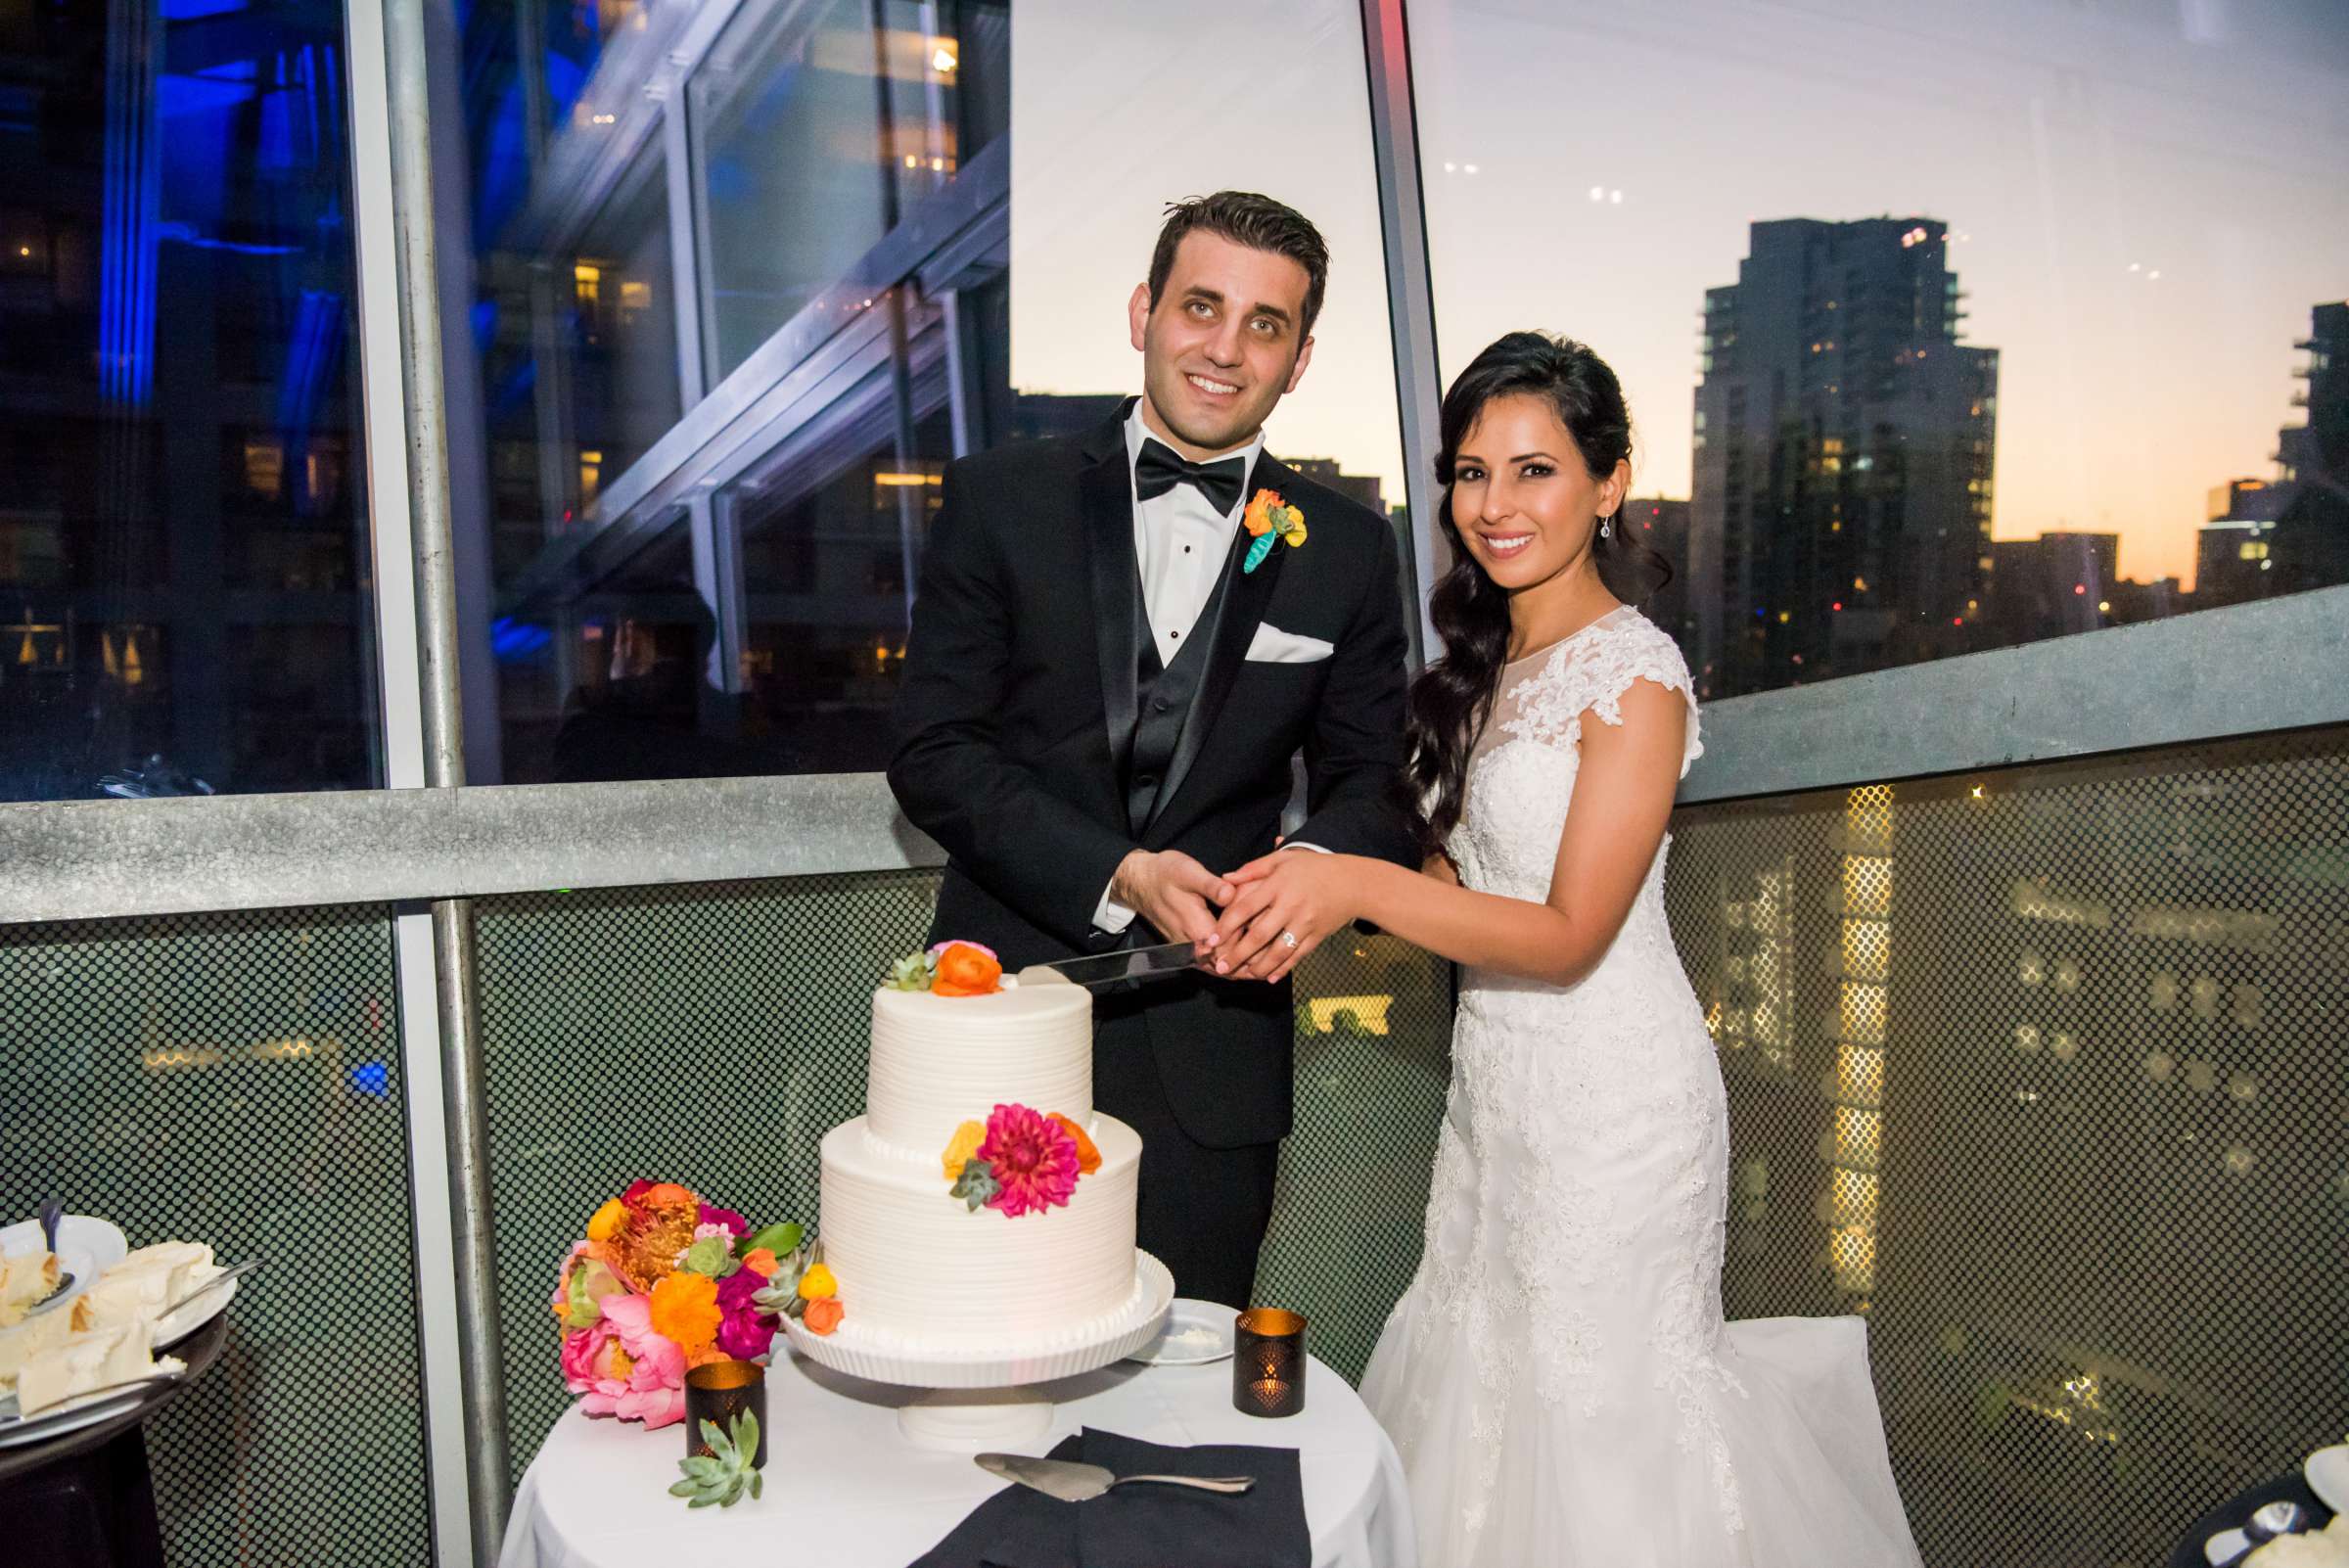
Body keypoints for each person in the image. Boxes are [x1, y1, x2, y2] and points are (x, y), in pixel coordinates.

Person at [1211, 332, 1925, 1565]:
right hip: (1499, 1104)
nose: (1494, 505)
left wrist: (1362, 879)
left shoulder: (1636, 677)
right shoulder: (1483, 670)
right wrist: (1297, 891)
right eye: (1471, 471)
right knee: (1483, 1392)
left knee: (1603, 1426)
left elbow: (1566, 933)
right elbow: (1458, 887)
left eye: (1534, 470)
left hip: (1618, 1113)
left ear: (1609, 483)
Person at [887, 192, 1420, 1311]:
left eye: (1265, 325)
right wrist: (1117, 873)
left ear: (1301, 358)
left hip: (1212, 1049)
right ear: (1144, 312)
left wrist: (1313, 872)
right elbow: (932, 750)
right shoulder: (1000, 499)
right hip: (1004, 1005)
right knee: (981, 1340)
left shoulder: (1352, 551)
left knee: (1188, 1372)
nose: (1226, 350)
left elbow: (1374, 782)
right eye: (1201, 306)